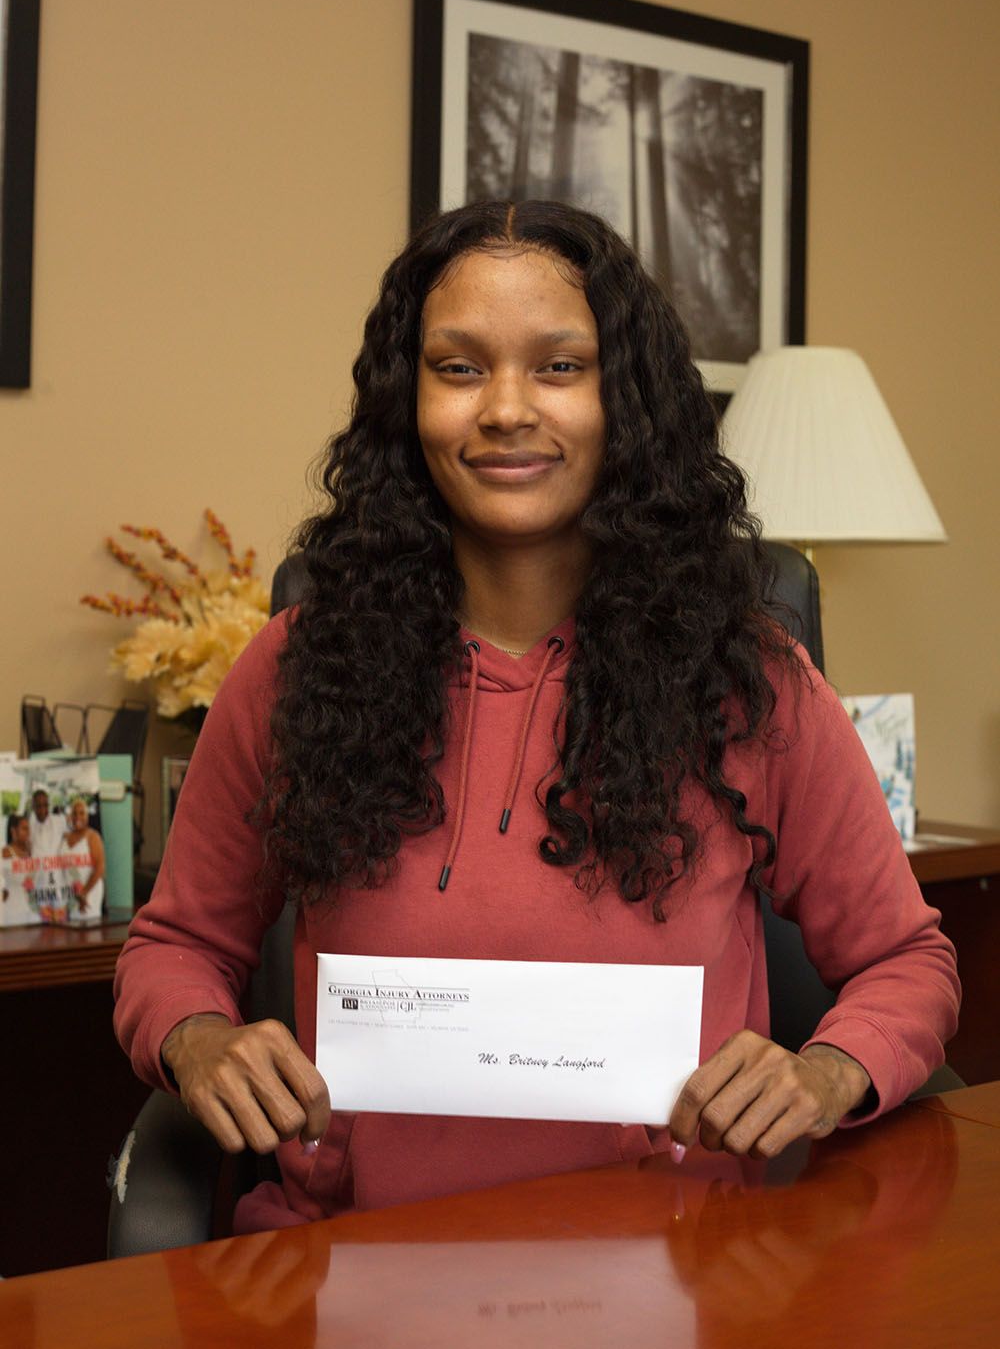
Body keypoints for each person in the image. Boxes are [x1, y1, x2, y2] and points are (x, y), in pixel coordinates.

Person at [114, 199, 959, 1233]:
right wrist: (197, 1038)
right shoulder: (296, 668)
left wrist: (827, 1072)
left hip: (677, 1280)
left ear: (627, 402)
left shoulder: (748, 680)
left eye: (559, 367)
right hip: (346, 1268)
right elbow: (173, 946)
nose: (505, 408)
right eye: (458, 368)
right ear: (404, 402)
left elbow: (906, 964)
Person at [59, 796, 106, 921]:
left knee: (89, 933)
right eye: (74, 813)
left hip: (89, 893)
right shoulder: (64, 838)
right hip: (70, 895)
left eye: (82, 813)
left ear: (87, 816)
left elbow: (100, 868)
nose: (77, 817)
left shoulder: (93, 837)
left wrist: (84, 892)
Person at [28, 789, 64, 857]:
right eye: (39, 806)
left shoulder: (59, 821)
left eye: (45, 805)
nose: (43, 810)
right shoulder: (28, 827)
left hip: (56, 866)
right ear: (33, 807)